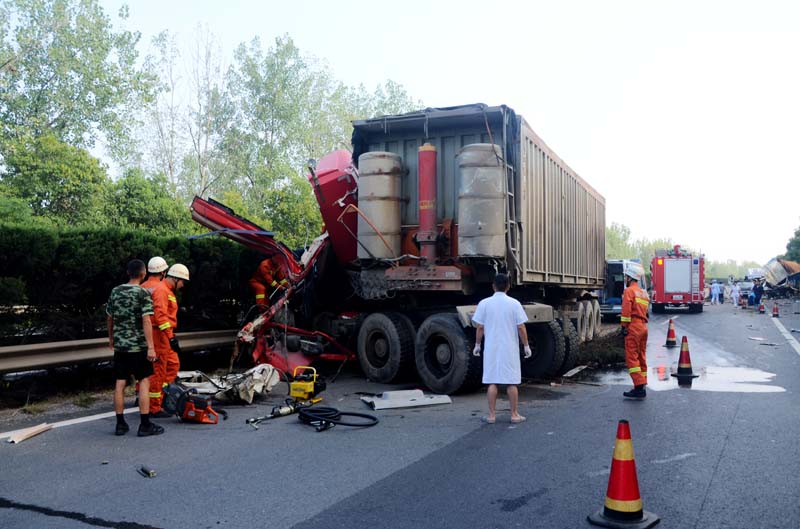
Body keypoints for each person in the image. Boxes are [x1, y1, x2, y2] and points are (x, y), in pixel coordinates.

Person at [106, 259, 164, 436]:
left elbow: (110, 317)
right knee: (144, 381)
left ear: (127, 273)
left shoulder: (115, 291)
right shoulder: (142, 293)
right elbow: (146, 320)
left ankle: (120, 424)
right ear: (143, 273)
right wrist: (151, 347)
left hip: (121, 346)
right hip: (138, 346)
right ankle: (145, 425)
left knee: (120, 383)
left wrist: (111, 339)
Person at [471, 273, 531, 424]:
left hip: (491, 348)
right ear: (508, 286)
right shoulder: (514, 303)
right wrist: (526, 345)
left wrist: (477, 345)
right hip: (509, 348)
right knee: (511, 382)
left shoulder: (484, 303)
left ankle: (491, 416)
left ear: (493, 286)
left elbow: (480, 327)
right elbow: (521, 327)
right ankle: (514, 414)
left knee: (492, 381)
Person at [149, 263, 190, 417]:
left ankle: (163, 395)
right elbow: (161, 317)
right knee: (159, 371)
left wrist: (171, 336)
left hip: (166, 334)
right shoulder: (161, 290)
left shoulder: (168, 291)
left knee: (173, 364)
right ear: (176, 278)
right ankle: (154, 408)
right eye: (183, 282)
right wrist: (170, 337)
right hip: (160, 335)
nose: (183, 285)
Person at [620, 262, 649, 399]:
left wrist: (624, 327)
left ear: (630, 277)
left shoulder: (629, 291)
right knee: (641, 356)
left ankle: (638, 387)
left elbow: (626, 311)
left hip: (634, 326)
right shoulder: (644, 293)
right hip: (643, 327)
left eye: (626, 277)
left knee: (632, 357)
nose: (625, 279)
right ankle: (642, 385)